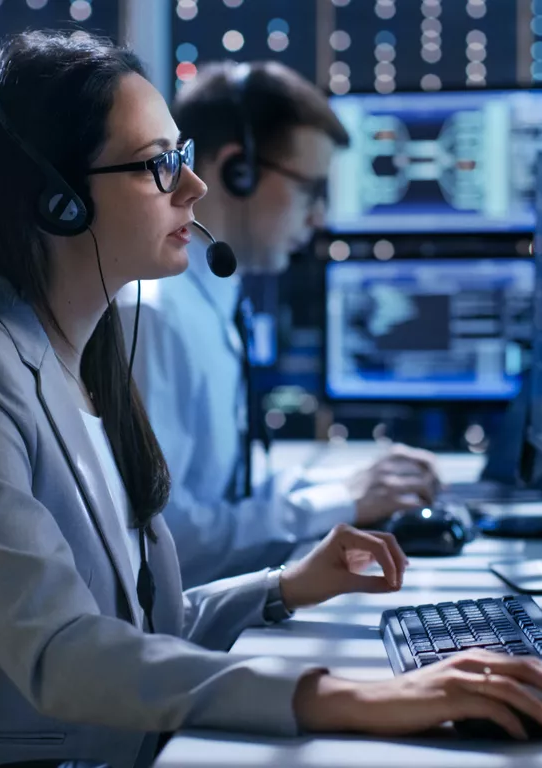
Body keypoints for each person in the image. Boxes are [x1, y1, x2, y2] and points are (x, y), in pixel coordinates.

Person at [0, 31, 542, 768]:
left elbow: (139, 624)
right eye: (158, 165)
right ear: (59, 201)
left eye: (181, 157)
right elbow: (62, 651)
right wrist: (351, 696)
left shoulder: (83, 356)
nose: (194, 186)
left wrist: (284, 587)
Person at [121, 60, 443, 589]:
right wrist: (342, 500)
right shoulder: (153, 318)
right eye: (311, 190)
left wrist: (347, 486)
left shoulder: (214, 303)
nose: (319, 218)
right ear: (236, 171)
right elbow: (166, 543)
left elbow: (227, 491)